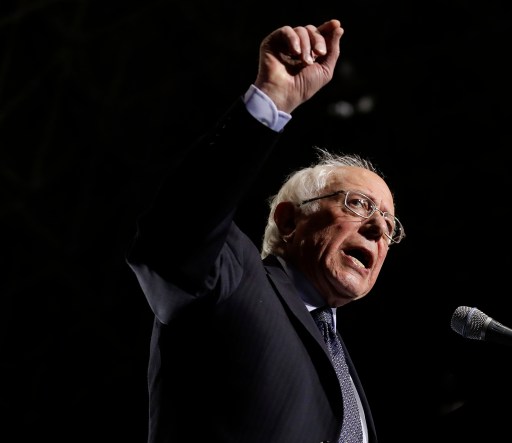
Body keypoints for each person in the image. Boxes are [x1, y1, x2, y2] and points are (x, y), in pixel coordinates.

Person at [126, 19, 403, 443]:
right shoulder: (230, 278)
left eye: (389, 224)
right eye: (360, 205)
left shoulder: (344, 367)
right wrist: (270, 101)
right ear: (289, 220)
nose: (378, 228)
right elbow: (172, 235)